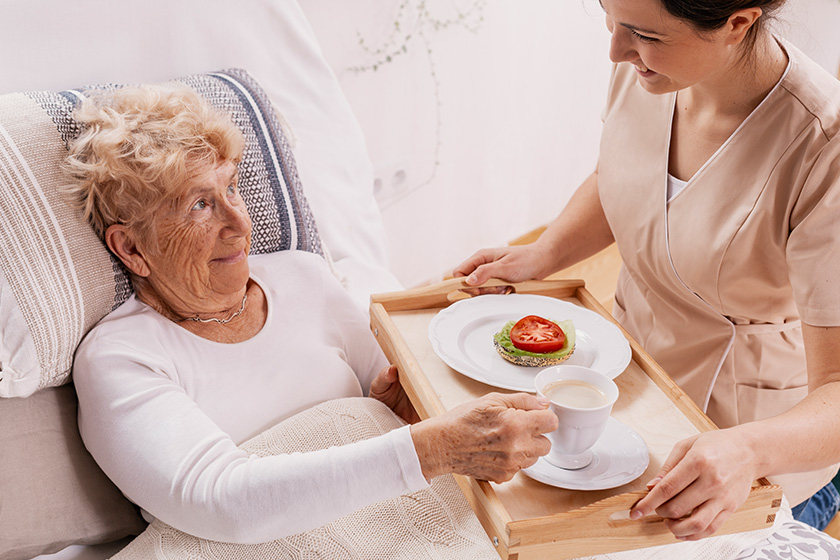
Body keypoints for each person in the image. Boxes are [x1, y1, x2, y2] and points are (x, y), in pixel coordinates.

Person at [64, 85, 558, 544]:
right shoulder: (120, 357)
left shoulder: (304, 277)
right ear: (130, 247)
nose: (239, 224)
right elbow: (224, 503)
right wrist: (429, 449)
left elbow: (388, 406)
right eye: (199, 205)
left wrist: (394, 410)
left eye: (231, 187)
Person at [455, 0, 840, 541]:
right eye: (609, 19)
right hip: (631, 392)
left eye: (641, 34)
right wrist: (545, 253)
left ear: (737, 23)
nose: (614, 49)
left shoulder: (825, 147)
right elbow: (625, 172)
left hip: (748, 456)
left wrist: (748, 450)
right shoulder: (649, 67)